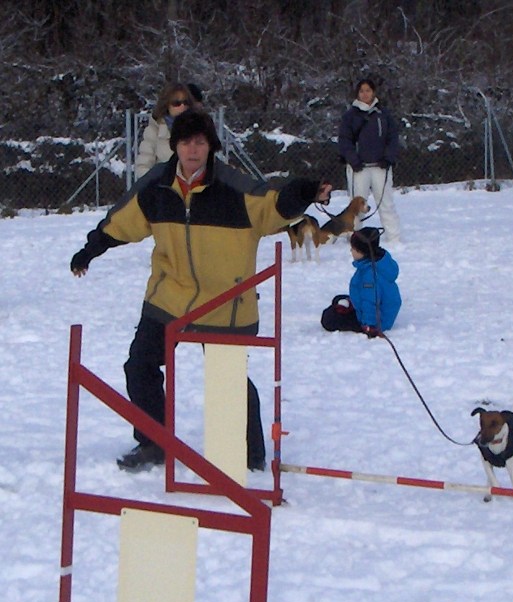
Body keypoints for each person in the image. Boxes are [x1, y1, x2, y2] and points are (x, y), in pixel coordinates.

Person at [71, 110, 332, 472]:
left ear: (211, 146)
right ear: (175, 146)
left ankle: (249, 455)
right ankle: (153, 442)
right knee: (140, 364)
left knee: (227, 379)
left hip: (226, 299)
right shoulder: (157, 186)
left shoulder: (234, 186)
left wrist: (304, 190)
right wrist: (91, 249)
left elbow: (273, 207)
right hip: (171, 295)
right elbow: (122, 221)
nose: (193, 150)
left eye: (200, 142)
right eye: (186, 142)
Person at [338, 79, 401, 243]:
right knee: (356, 207)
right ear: (357, 94)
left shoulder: (384, 114)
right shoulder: (350, 116)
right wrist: (353, 159)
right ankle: (355, 238)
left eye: (368, 90)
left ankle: (394, 237)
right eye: (361, 91)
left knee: (386, 202)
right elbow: (345, 140)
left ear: (374, 92)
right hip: (358, 168)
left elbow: (393, 138)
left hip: (381, 167)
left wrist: (389, 158)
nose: (365, 94)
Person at [321, 227, 401, 337]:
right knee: (338, 299)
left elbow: (370, 301)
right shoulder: (375, 262)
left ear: (361, 251)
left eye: (353, 249)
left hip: (377, 321)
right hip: (380, 308)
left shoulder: (370, 276)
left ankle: (365, 321)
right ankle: (351, 305)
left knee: (328, 318)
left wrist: (370, 326)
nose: (351, 251)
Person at [135, 81, 195, 179]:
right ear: (167, 105)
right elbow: (143, 166)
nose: (182, 107)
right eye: (177, 103)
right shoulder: (155, 129)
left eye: (186, 102)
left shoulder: (199, 128)